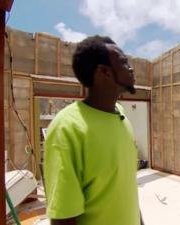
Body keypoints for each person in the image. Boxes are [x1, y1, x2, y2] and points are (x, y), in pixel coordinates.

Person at [44, 36, 144, 225]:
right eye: (124, 63)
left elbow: (124, 187)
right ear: (104, 72)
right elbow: (63, 218)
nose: (131, 68)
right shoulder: (67, 128)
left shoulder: (120, 114)